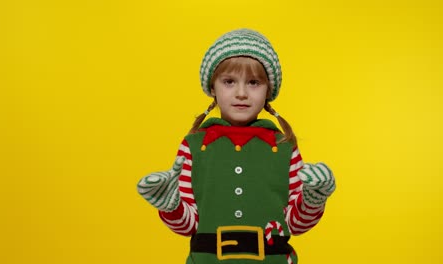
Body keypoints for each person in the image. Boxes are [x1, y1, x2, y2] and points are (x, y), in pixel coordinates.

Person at [137, 29, 336, 264]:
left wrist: (313, 199)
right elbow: (188, 225)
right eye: (229, 81)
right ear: (213, 88)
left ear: (268, 90)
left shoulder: (284, 147)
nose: (241, 93)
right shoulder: (193, 146)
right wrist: (171, 206)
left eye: (253, 82)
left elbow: (295, 223)